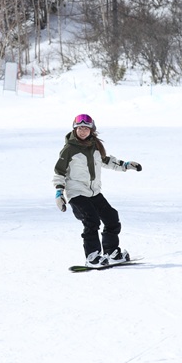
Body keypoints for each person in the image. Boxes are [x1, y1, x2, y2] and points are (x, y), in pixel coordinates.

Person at [52, 114, 142, 268]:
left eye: (86, 128)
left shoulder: (94, 146)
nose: (82, 131)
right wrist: (59, 193)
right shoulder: (69, 149)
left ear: (91, 130)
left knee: (112, 218)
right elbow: (59, 172)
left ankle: (111, 252)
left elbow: (106, 161)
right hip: (77, 193)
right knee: (91, 220)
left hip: (93, 192)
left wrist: (126, 165)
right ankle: (92, 256)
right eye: (80, 128)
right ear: (75, 128)